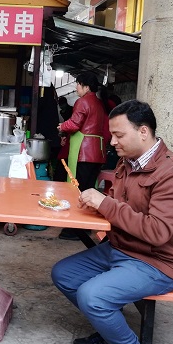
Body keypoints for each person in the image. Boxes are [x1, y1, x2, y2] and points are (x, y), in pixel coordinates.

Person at [51, 100, 173, 344]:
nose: (112, 141)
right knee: (64, 274)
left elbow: (158, 232)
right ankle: (110, 332)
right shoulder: (126, 163)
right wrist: (100, 205)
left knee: (92, 296)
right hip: (122, 247)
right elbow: (122, 206)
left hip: (158, 261)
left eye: (119, 135)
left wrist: (106, 205)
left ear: (143, 132)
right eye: (112, 135)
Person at [56, 72, 107, 239]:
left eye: (78, 84)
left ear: (86, 86)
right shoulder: (99, 104)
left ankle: (73, 229)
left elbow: (75, 124)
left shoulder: (83, 101)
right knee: (89, 189)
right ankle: (84, 226)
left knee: (76, 189)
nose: (76, 87)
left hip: (83, 153)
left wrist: (62, 126)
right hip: (97, 152)